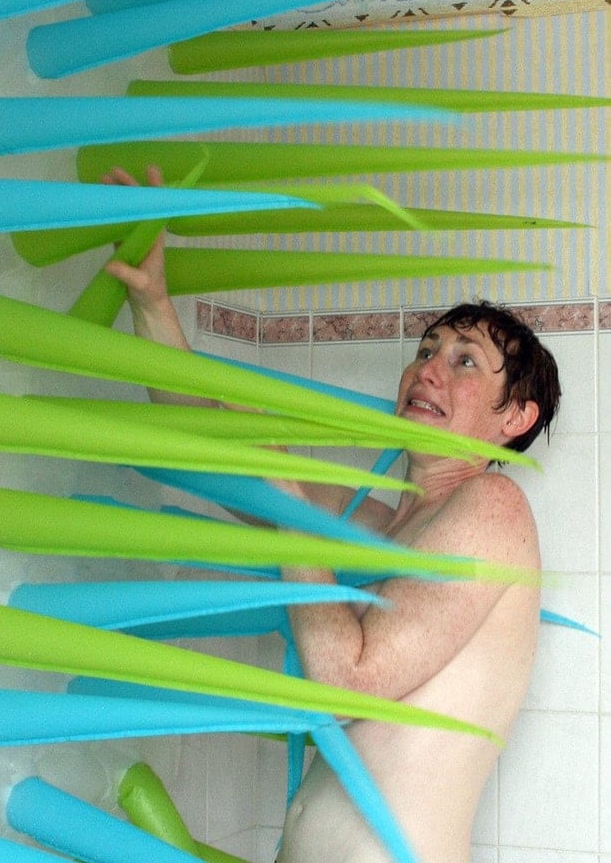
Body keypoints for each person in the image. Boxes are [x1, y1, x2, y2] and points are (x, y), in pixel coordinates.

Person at [103, 166, 561, 863]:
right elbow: (211, 457)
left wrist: (289, 497)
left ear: (514, 418)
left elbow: (347, 685)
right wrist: (152, 305)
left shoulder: (496, 507)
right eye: (427, 350)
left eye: (466, 361)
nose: (428, 369)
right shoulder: (372, 528)